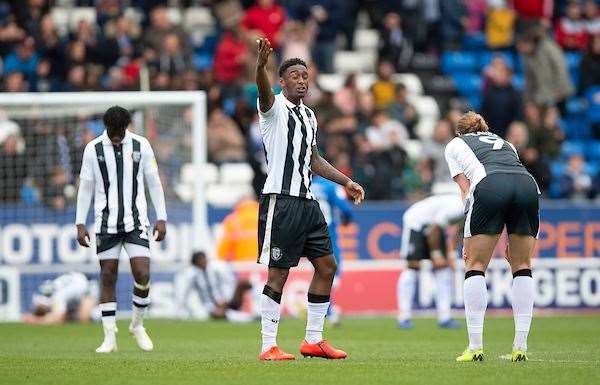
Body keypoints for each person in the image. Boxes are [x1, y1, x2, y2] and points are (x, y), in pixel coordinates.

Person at [255, 38, 365, 361]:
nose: (301, 80)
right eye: (295, 76)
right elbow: (262, 90)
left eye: (305, 76)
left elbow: (313, 160)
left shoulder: (309, 117)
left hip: (308, 202)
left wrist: (346, 181)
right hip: (281, 201)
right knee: (279, 273)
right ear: (282, 81)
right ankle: (268, 345)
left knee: (327, 266)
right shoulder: (273, 109)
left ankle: (313, 340)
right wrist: (261, 67)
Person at [445, 112, 539, 363]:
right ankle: (521, 347)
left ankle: (475, 347)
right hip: (528, 185)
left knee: (474, 265)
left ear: (460, 132)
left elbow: (465, 189)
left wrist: (469, 232)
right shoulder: (505, 143)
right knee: (522, 265)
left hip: (490, 184)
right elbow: (513, 171)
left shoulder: (455, 144)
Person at [75, 106, 167, 353]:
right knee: (107, 275)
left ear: (127, 127)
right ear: (106, 127)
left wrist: (162, 217)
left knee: (143, 273)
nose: (116, 135)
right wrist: (80, 222)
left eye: (120, 130)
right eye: (112, 130)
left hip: (136, 221)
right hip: (106, 223)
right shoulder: (93, 149)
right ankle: (109, 337)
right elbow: (85, 188)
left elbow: (154, 182)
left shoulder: (141, 145)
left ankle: (137, 324)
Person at [397, 193, 464, 330]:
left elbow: (457, 232)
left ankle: (445, 318)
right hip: (416, 220)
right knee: (412, 266)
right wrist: (436, 254)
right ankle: (404, 317)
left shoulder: (468, 209)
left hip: (434, 225)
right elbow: (434, 228)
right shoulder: (459, 208)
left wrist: (450, 254)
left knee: (443, 268)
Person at [311, 175, 353, 325]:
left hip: (305, 234)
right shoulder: (331, 186)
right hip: (327, 235)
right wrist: (347, 219)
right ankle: (327, 311)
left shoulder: (304, 183)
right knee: (331, 271)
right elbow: (346, 209)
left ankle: (325, 311)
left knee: (318, 271)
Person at [175, 251, 254, 322]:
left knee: (244, 283)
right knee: (218, 314)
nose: (204, 261)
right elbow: (185, 293)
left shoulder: (215, 269)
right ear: (196, 262)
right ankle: (244, 317)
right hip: (210, 307)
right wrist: (183, 310)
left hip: (224, 301)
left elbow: (227, 283)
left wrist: (225, 299)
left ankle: (252, 310)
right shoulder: (192, 274)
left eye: (204, 258)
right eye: (201, 259)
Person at [22, 272, 96, 325]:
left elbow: (58, 319)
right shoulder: (48, 291)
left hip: (88, 286)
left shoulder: (57, 296)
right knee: (71, 316)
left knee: (84, 319)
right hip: (78, 284)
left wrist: (35, 321)